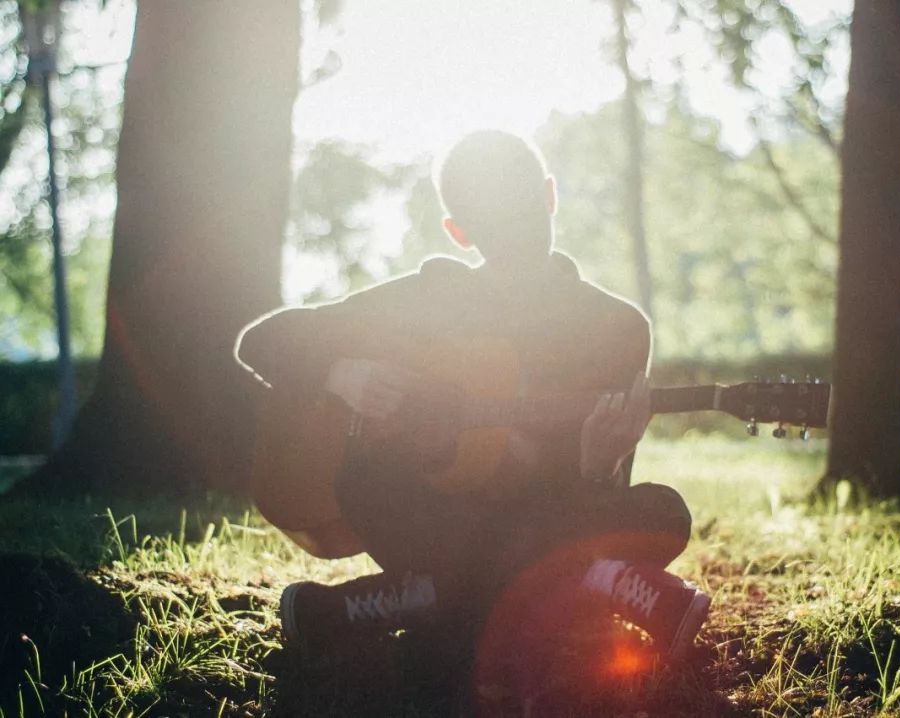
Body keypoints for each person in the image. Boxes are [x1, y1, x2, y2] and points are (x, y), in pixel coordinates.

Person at [234, 130, 709, 667]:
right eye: (494, 224)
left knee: (660, 512)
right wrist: (343, 374)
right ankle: (588, 587)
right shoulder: (431, 297)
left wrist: (598, 466)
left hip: (536, 518)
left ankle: (396, 602)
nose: (516, 237)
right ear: (459, 233)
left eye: (525, 212)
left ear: (550, 198)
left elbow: (588, 507)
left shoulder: (616, 328)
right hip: (440, 522)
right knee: (366, 480)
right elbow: (260, 342)